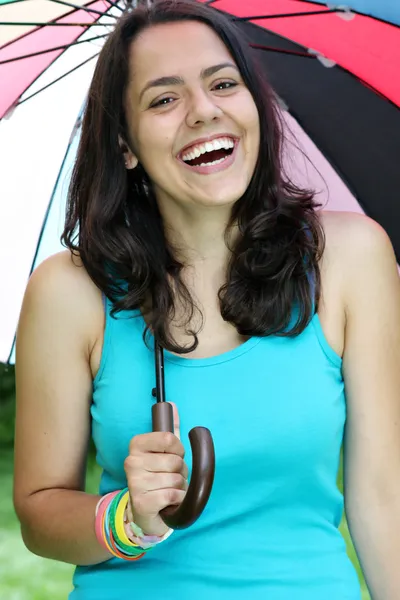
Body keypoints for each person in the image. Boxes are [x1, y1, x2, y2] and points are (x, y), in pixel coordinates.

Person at [13, 1, 400, 599]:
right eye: (164, 99)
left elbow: (382, 492)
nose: (204, 110)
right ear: (125, 145)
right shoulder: (71, 289)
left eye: (223, 83)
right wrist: (126, 519)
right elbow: (40, 513)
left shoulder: (351, 258)